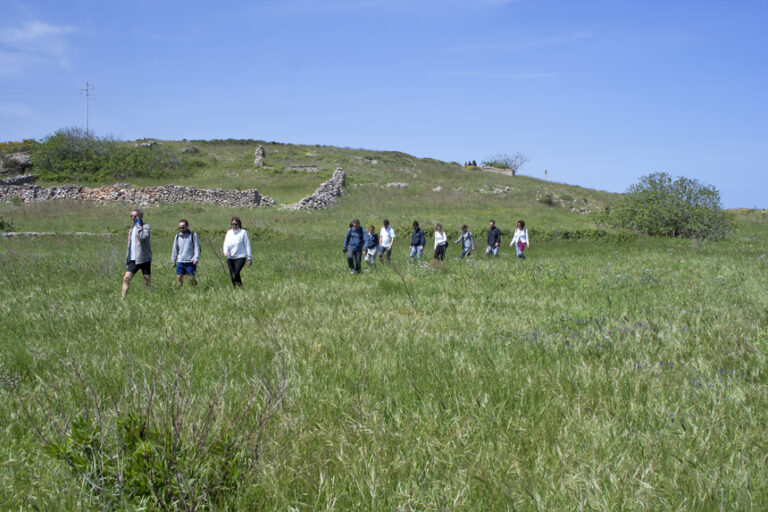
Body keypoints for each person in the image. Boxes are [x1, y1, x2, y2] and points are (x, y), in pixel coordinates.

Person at [122, 209, 152, 298]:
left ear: (140, 217)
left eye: (135, 216)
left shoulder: (145, 227)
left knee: (147, 281)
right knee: (126, 278)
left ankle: (151, 295)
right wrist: (127, 259)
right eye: (131, 216)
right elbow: (130, 245)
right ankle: (122, 298)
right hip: (133, 259)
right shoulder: (131, 228)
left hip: (144, 259)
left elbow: (142, 237)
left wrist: (139, 225)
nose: (133, 217)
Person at [222, 217, 252, 287]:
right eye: (232, 224)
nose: (234, 226)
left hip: (240, 257)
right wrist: (225, 251)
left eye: (236, 224)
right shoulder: (229, 233)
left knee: (236, 272)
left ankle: (239, 287)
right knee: (232, 275)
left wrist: (249, 257)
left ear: (239, 224)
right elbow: (225, 243)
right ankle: (238, 288)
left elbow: (247, 245)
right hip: (230, 257)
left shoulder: (243, 232)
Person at [171, 219, 200, 288]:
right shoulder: (177, 236)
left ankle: (196, 289)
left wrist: (196, 258)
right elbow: (175, 249)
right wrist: (173, 260)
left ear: (187, 226)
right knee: (179, 277)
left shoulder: (193, 235)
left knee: (191, 278)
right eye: (180, 228)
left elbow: (197, 247)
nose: (181, 229)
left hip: (190, 261)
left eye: (183, 227)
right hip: (180, 261)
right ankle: (179, 291)